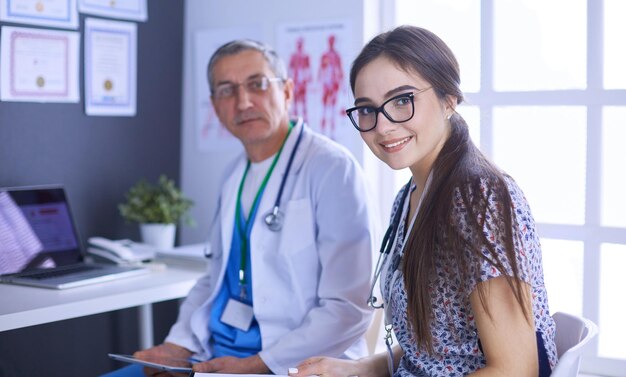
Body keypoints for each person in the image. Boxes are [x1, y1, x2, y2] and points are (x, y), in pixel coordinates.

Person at [291, 26, 557, 377]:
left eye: (402, 100)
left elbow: (515, 370)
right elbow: (440, 350)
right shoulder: (411, 196)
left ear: (449, 99)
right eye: (367, 109)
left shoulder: (481, 200)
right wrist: (358, 369)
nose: (382, 127)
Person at [104, 40, 375, 376]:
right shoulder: (235, 173)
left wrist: (256, 365)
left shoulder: (332, 169)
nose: (243, 102)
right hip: (217, 355)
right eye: (226, 90)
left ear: (287, 91)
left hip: (298, 363)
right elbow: (214, 279)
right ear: (215, 106)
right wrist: (177, 346)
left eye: (257, 85)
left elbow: (348, 307)